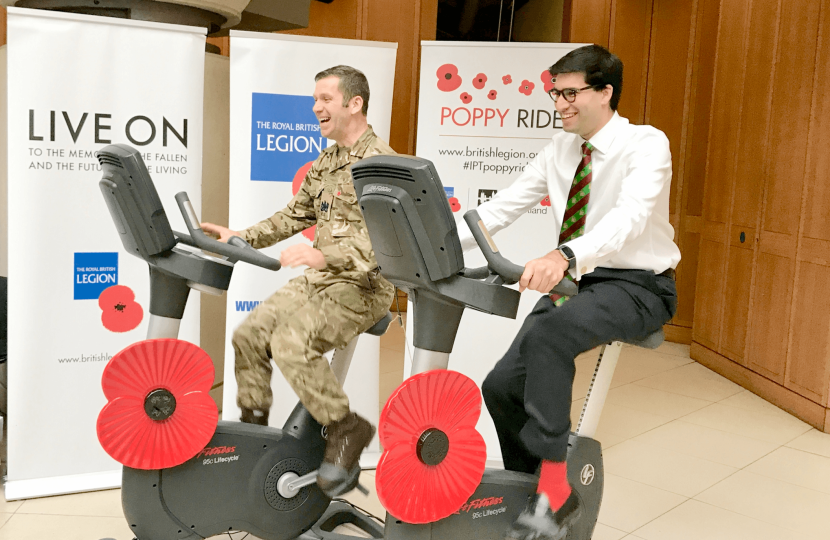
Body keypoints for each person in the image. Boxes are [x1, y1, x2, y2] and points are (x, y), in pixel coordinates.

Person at [457, 45, 680, 539]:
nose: (559, 103)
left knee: (552, 335)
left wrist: (565, 256)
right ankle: (534, 486)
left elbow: (628, 219)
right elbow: (500, 209)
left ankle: (554, 487)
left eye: (570, 93)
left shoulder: (646, 144)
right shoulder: (560, 150)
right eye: (555, 93)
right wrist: (430, 240)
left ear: (605, 92)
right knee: (500, 388)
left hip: (637, 284)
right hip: (576, 280)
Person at [201, 65, 396, 497]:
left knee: (291, 343)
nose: (316, 108)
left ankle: (347, 428)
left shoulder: (384, 165)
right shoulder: (326, 161)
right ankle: (254, 436)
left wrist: (324, 254)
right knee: (250, 335)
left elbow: (388, 246)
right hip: (322, 278)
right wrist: (241, 236)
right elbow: (295, 216)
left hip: (365, 285)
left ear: (354, 103)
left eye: (325, 99)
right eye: (315, 100)